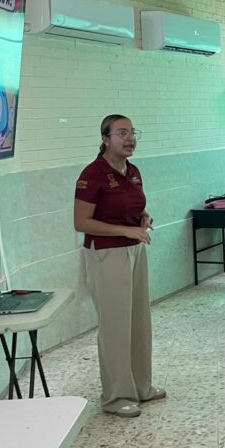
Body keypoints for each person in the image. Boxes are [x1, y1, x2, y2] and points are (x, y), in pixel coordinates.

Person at [73, 114, 162, 418]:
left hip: (135, 250)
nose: (130, 138)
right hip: (107, 255)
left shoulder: (132, 170)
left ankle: (140, 387)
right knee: (115, 326)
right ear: (105, 138)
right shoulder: (93, 174)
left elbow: (131, 207)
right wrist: (125, 231)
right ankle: (116, 396)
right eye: (122, 133)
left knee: (138, 321)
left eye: (132, 133)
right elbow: (81, 222)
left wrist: (142, 217)